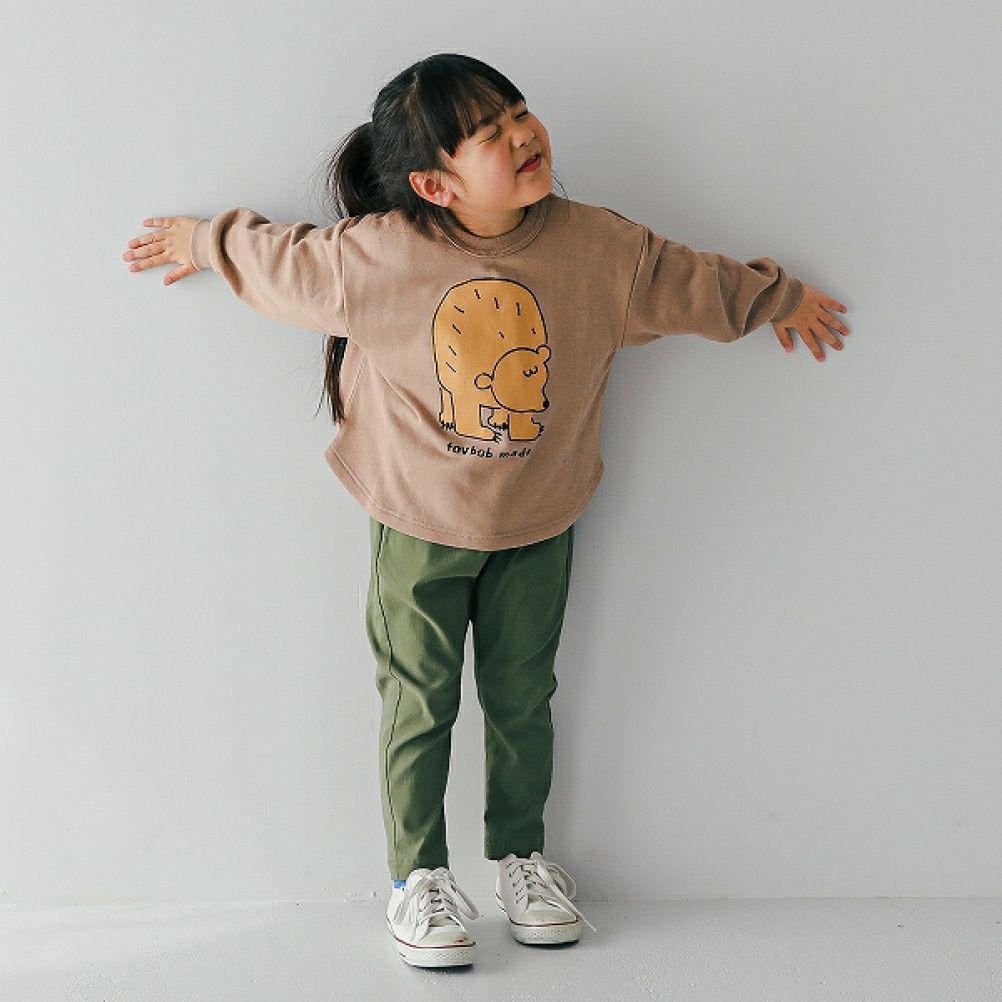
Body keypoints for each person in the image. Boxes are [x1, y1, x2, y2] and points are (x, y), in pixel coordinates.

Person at [121, 51, 851, 969]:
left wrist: (780, 298)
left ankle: (520, 859)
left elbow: (692, 283)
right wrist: (201, 240)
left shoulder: (599, 248)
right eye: (489, 134)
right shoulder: (375, 256)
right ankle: (417, 876)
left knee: (522, 698)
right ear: (435, 183)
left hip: (539, 519)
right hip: (417, 523)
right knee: (419, 702)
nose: (522, 135)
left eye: (517, 112)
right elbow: (279, 262)